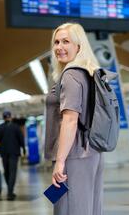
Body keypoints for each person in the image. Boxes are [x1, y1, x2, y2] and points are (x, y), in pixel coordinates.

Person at [44, 22, 104, 215]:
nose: (59, 47)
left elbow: (70, 120)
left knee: (70, 209)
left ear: (79, 46)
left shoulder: (70, 76)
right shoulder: (89, 74)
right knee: (90, 207)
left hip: (73, 154)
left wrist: (60, 161)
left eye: (66, 42)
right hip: (91, 151)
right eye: (56, 42)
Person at [0, 111, 25, 200]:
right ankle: (10, 192)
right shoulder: (16, 127)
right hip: (14, 152)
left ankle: (9, 190)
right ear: (10, 117)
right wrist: (24, 149)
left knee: (6, 171)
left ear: (3, 117)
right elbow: (21, 140)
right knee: (12, 172)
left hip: (3, 152)